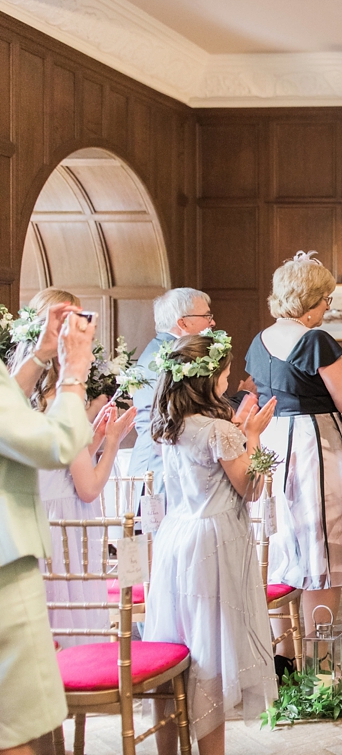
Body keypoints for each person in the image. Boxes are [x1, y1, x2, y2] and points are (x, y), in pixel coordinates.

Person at [246, 252, 342, 636]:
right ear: (309, 302)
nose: (327, 307)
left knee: (285, 555)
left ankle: (283, 658)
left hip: (273, 445)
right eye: (325, 300)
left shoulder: (259, 339)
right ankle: (318, 660)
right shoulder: (314, 340)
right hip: (315, 446)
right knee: (323, 558)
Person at [143, 332, 279, 755]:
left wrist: (240, 431)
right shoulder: (219, 429)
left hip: (177, 536)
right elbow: (250, 489)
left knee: (176, 644)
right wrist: (252, 436)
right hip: (214, 542)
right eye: (224, 371)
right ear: (209, 379)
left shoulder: (171, 424)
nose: (229, 377)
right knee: (210, 650)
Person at [11, 290, 137, 648]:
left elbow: (56, 461)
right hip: (67, 528)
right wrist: (113, 439)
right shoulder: (63, 399)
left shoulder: (22, 395)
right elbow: (88, 487)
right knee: (72, 631)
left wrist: (93, 438)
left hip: (37, 518)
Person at [0, 307, 95, 755]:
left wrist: (39, 356)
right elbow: (55, 443)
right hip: (4, 564)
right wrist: (73, 373)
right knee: (18, 725)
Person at [128, 288, 217, 495]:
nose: (212, 322)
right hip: (160, 467)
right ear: (183, 322)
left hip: (156, 461)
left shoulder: (159, 349)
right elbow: (194, 411)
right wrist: (242, 398)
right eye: (206, 316)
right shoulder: (176, 359)